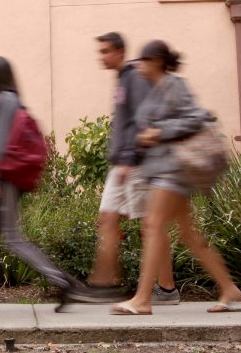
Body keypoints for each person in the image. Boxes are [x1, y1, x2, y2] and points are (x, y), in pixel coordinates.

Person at [111, 41, 241, 316]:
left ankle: (142, 299)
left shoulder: (174, 85)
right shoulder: (156, 90)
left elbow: (195, 118)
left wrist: (157, 133)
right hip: (163, 170)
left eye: (144, 60)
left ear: (158, 61)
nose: (140, 66)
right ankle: (229, 288)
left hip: (174, 170)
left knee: (153, 225)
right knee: (188, 234)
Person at [0, 56, 76, 313]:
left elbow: (1, 141)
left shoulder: (7, 101)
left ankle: (63, 281)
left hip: (2, 181)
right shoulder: (3, 101)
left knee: (12, 238)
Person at [71, 32, 179, 305]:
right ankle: (104, 284)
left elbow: (144, 120)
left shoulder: (134, 77)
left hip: (136, 164)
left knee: (151, 226)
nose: (102, 56)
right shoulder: (122, 79)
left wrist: (130, 159)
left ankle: (166, 289)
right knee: (107, 219)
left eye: (106, 51)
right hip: (120, 163)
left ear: (119, 52)